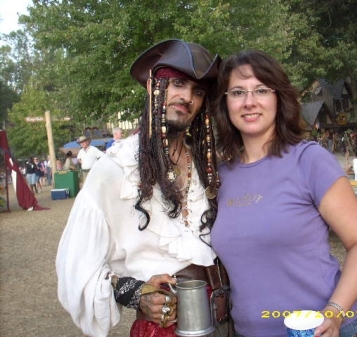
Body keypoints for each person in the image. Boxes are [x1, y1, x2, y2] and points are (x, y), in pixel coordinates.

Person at [56, 39, 228, 337]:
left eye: (197, 91)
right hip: (163, 327)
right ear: (153, 87)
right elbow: (76, 268)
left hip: (226, 320)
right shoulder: (115, 169)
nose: (186, 96)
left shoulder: (208, 165)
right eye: (176, 84)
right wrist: (135, 293)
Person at [210, 50, 357, 337]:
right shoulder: (220, 176)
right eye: (237, 92)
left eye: (261, 90)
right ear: (225, 103)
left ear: (279, 98)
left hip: (320, 330)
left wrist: (335, 312)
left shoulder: (309, 160)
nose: (249, 102)